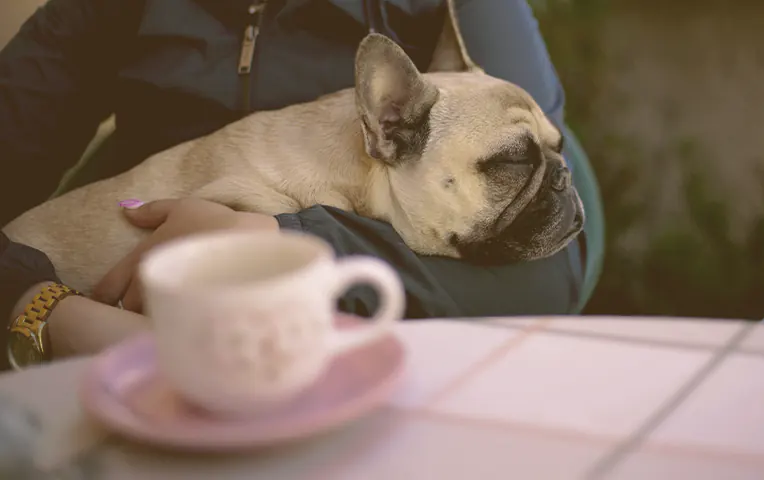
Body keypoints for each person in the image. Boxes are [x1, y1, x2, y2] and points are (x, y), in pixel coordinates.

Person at [0, 0, 592, 369]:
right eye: (518, 165)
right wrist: (43, 308)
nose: (552, 177)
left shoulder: (455, 17)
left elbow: (549, 277)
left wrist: (286, 242)